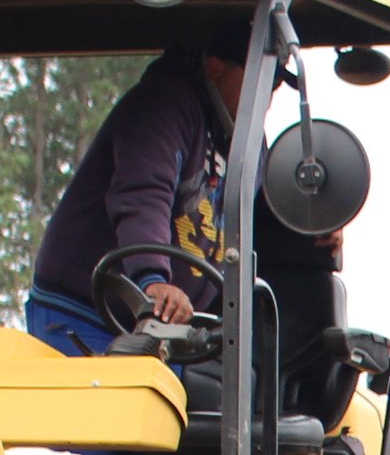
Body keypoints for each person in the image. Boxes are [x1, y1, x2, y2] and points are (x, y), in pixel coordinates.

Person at [26, 45, 245, 360]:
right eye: (262, 79)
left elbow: (264, 212)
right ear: (215, 66)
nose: (266, 97)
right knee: (104, 406)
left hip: (170, 327)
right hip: (88, 310)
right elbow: (144, 192)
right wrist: (151, 281)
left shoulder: (247, 143)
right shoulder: (164, 105)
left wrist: (314, 229)